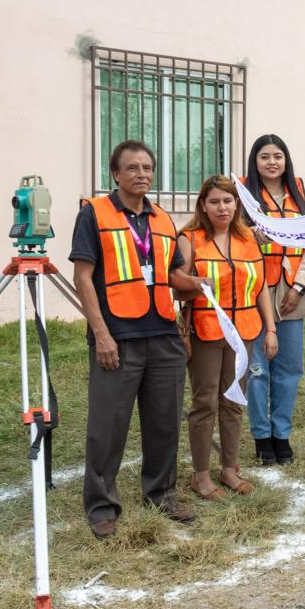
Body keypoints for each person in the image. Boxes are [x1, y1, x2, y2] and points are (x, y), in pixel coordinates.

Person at [71, 140, 204, 539]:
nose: (141, 174)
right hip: (118, 337)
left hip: (163, 335)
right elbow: (82, 277)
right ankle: (101, 506)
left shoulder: (163, 219)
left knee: (164, 422)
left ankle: (160, 494)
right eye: (132, 168)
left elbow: (173, 276)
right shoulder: (93, 214)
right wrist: (101, 334)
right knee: (108, 426)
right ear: (115, 173)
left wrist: (200, 284)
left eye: (147, 167)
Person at [175, 176, 278, 500]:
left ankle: (230, 469)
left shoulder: (248, 240)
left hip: (243, 331)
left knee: (234, 401)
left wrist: (270, 328)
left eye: (228, 201)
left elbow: (260, 286)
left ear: (237, 205)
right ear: (203, 205)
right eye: (215, 201)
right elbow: (175, 281)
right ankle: (201, 476)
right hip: (206, 330)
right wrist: (195, 281)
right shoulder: (189, 238)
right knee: (205, 402)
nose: (222, 207)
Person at [242, 134, 305, 467]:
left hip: (292, 294)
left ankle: (281, 434)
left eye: (278, 156)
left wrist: (300, 286)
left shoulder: (299, 194)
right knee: (258, 369)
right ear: (254, 162)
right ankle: (261, 436)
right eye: (264, 157)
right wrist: (251, 239)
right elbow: (231, 242)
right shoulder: (243, 196)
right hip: (256, 293)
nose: (272, 162)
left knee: (289, 369)